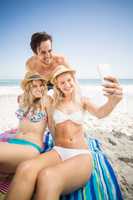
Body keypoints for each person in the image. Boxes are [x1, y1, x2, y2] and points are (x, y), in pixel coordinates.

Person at [5, 64, 123, 200]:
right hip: (58, 151)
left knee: (48, 176)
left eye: (69, 80)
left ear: (73, 80)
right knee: (25, 168)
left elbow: (101, 113)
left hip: (81, 155)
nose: (66, 84)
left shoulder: (83, 101)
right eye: (62, 82)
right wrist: (27, 89)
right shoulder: (52, 102)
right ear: (57, 85)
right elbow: (32, 94)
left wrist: (113, 101)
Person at [0, 72, 48, 173]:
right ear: (28, 88)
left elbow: (52, 126)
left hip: (30, 147)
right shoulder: (21, 99)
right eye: (34, 86)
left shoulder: (47, 101)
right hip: (14, 142)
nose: (39, 88)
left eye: (41, 85)